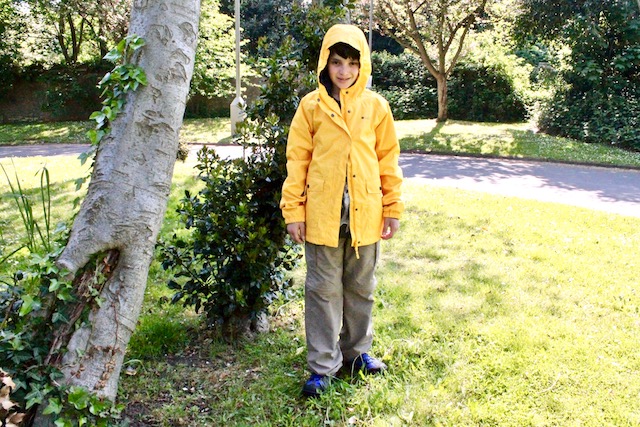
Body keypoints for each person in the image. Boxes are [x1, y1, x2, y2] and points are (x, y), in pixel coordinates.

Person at [280, 23, 404, 397]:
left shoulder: (376, 106)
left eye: (352, 63)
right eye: (337, 62)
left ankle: (357, 353)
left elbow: (388, 159)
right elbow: (297, 160)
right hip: (322, 217)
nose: (344, 71)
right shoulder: (310, 107)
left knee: (361, 288)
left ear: (362, 65)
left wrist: (392, 207)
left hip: (366, 215)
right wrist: (294, 212)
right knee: (322, 291)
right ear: (325, 63)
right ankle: (322, 366)